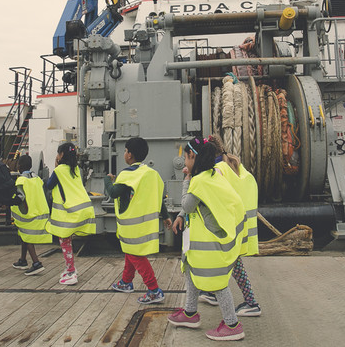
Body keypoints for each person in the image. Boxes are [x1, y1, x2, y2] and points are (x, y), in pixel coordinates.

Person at [168, 138, 246, 341]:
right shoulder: (212, 175)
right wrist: (179, 217)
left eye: (185, 157)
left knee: (218, 285)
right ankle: (190, 313)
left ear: (193, 156)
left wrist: (186, 181)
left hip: (210, 245)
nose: (184, 161)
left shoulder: (199, 181)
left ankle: (232, 325)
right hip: (202, 241)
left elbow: (187, 203)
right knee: (191, 272)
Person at [197, 134, 261, 317]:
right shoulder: (233, 165)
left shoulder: (218, 169)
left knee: (233, 265)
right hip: (239, 226)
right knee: (226, 263)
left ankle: (252, 303)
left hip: (229, 227)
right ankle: (212, 293)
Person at [107, 137, 172, 304]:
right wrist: (165, 217)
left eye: (125, 151)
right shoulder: (152, 174)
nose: (124, 153)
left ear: (129, 155)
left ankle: (154, 290)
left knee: (136, 256)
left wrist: (108, 180)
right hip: (147, 225)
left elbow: (114, 192)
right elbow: (159, 199)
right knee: (131, 252)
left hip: (131, 225)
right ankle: (126, 282)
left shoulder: (128, 174)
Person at [45, 142, 96, 285]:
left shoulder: (59, 170)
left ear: (61, 155)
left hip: (67, 212)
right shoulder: (77, 170)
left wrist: (56, 167)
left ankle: (71, 271)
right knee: (69, 241)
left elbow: (49, 185)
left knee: (65, 242)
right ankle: (70, 268)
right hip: (82, 209)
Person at [10, 154, 50, 276]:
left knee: (27, 238)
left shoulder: (21, 180)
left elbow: (20, 198)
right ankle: (22, 260)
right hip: (40, 212)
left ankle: (36, 263)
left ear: (19, 166)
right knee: (24, 236)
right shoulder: (37, 179)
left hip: (27, 214)